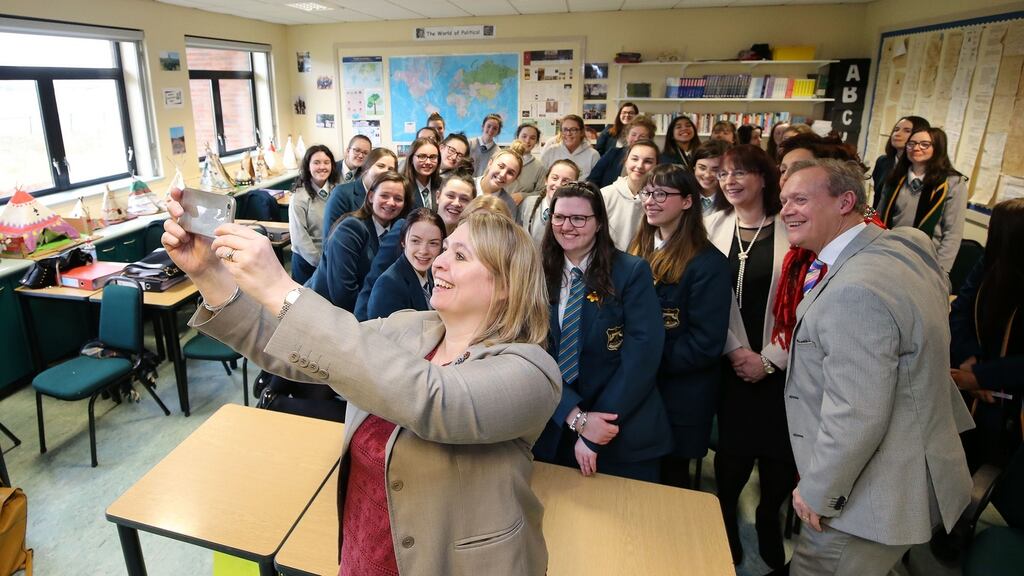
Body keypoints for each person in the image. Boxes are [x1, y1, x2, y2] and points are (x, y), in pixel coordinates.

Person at [161, 196, 560, 575]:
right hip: (364, 551)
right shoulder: (408, 326)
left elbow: (434, 399)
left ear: (507, 283)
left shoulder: (530, 370)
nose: (438, 263)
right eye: (445, 250)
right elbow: (299, 348)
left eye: (459, 256)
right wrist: (208, 274)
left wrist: (283, 290)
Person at [780, 158, 972, 575]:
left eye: (800, 199)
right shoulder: (903, 246)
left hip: (868, 498)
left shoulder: (854, 290)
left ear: (846, 201)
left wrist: (818, 492)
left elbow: (857, 412)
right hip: (912, 472)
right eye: (783, 200)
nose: (786, 210)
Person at [533, 181, 671, 482]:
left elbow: (642, 356)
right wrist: (575, 417)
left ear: (598, 224)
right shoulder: (538, 272)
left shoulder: (630, 271)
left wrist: (596, 429)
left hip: (621, 429)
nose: (567, 226)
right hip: (558, 425)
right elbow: (533, 355)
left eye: (579, 219)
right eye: (558, 217)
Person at [704, 144, 794, 568]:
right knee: (733, 457)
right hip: (729, 362)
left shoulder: (791, 229)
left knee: (779, 458)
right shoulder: (711, 225)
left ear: (764, 177)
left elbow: (806, 304)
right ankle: (725, 520)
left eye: (741, 172)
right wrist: (737, 351)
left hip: (782, 365)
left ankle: (767, 517)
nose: (730, 180)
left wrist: (770, 358)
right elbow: (703, 302)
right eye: (724, 174)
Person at [628, 164, 731, 489]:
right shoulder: (638, 248)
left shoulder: (708, 263)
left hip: (679, 396)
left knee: (671, 483)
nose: (651, 201)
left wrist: (644, 360)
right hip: (638, 390)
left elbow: (705, 343)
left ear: (688, 201)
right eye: (647, 192)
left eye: (661, 194)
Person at [950, 197, 1024, 471]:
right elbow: (959, 310)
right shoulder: (989, 263)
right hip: (974, 386)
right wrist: (969, 357)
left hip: (1010, 404)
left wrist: (981, 376)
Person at [310, 171, 412, 312]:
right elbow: (343, 293)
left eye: (398, 198)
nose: (391, 202)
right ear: (370, 196)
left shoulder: (399, 231)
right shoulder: (351, 228)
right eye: (384, 195)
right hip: (323, 311)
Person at [876, 127, 967, 273]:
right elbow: (878, 219)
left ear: (937, 148)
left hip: (927, 263)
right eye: (911, 144)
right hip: (889, 254)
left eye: (924, 144)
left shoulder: (952, 182)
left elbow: (952, 233)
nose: (916, 148)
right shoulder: (895, 179)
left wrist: (941, 271)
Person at [366, 208, 446, 320]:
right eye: (415, 241)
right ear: (403, 242)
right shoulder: (388, 285)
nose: (423, 251)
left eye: (433, 243)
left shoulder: (432, 275)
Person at [289, 144, 339, 285]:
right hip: (308, 261)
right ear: (307, 166)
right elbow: (299, 238)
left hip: (332, 259)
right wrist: (320, 262)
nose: (322, 167)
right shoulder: (299, 196)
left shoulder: (337, 190)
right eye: (316, 162)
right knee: (305, 304)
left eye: (326, 162)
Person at [600, 139, 660, 251]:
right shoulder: (605, 195)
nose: (640, 165)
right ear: (626, 161)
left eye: (648, 161)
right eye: (635, 159)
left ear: (657, 165)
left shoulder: (660, 199)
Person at [323, 148, 397, 234]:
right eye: (380, 166)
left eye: (391, 169)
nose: (385, 172)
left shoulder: (393, 199)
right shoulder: (342, 193)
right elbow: (330, 235)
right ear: (367, 166)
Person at [870, 116, 930, 209]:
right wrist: (868, 220)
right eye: (896, 129)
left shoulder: (920, 168)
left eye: (907, 131)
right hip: (877, 220)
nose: (897, 134)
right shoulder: (883, 161)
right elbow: (877, 198)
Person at [519, 159, 579, 245]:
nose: (558, 184)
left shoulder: (576, 214)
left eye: (566, 181)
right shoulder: (528, 203)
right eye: (555, 178)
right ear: (546, 180)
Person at [587, 114, 656, 188]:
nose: (636, 139)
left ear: (649, 139)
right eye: (633, 135)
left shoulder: (653, 159)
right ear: (627, 136)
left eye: (642, 136)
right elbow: (592, 180)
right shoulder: (613, 153)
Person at [540, 114, 600, 180]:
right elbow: (541, 179)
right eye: (565, 129)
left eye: (573, 129)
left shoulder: (593, 155)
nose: (568, 133)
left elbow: (595, 183)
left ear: (582, 132)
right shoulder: (550, 152)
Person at [475, 143, 524, 216]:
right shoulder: (466, 186)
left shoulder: (508, 205)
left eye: (510, 173)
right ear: (490, 163)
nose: (502, 175)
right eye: (501, 166)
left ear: (514, 179)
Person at [435, 163, 478, 234]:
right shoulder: (417, 229)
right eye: (450, 196)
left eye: (464, 199)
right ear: (438, 197)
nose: (456, 203)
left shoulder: (473, 241)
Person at [506, 123, 544, 200]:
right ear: (517, 137)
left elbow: (542, 192)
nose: (527, 141)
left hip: (524, 210)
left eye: (532, 138)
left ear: (536, 142)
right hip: (498, 206)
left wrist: (523, 196)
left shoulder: (539, 167)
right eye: (524, 136)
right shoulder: (503, 159)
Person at [402, 137, 442, 210]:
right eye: (422, 156)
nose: (428, 162)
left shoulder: (443, 185)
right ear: (411, 159)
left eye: (433, 157)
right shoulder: (402, 186)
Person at [693, 140, 729, 216]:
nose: (707, 175)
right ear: (694, 167)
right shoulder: (683, 194)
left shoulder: (732, 199)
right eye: (702, 168)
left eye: (715, 169)